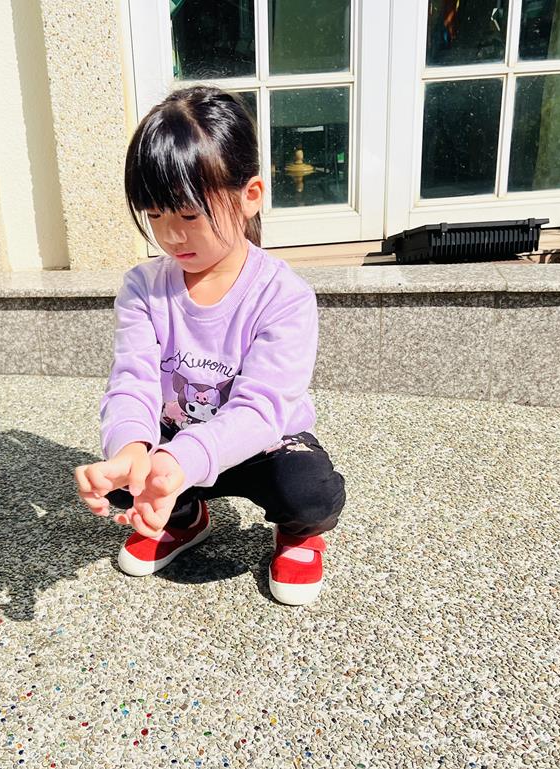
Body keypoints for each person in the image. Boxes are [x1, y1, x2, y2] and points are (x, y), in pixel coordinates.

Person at [73, 85, 346, 605]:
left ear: (250, 196)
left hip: (264, 444)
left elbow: (262, 408)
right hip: (180, 441)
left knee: (308, 492)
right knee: (132, 470)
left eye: (188, 215)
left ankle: (298, 535)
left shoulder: (283, 295)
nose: (170, 236)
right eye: (154, 215)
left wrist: (177, 463)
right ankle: (185, 517)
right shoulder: (143, 287)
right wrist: (130, 452)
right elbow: (132, 382)